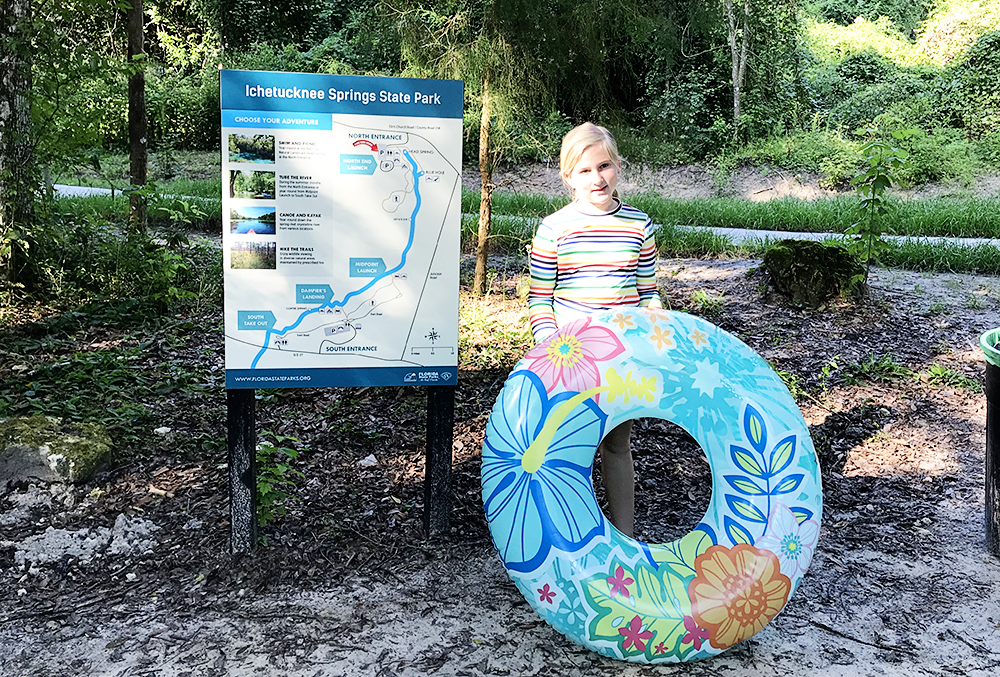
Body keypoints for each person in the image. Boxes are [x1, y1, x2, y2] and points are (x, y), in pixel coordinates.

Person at [527, 122, 662, 538]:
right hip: (569, 361)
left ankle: (624, 535)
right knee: (567, 448)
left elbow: (649, 295)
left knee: (617, 445)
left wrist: (653, 338)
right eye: (584, 171)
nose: (597, 178)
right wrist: (551, 351)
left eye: (604, 166)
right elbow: (539, 299)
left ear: (617, 166)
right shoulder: (553, 228)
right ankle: (568, 535)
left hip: (622, 359)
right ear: (568, 177)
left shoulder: (640, 226)